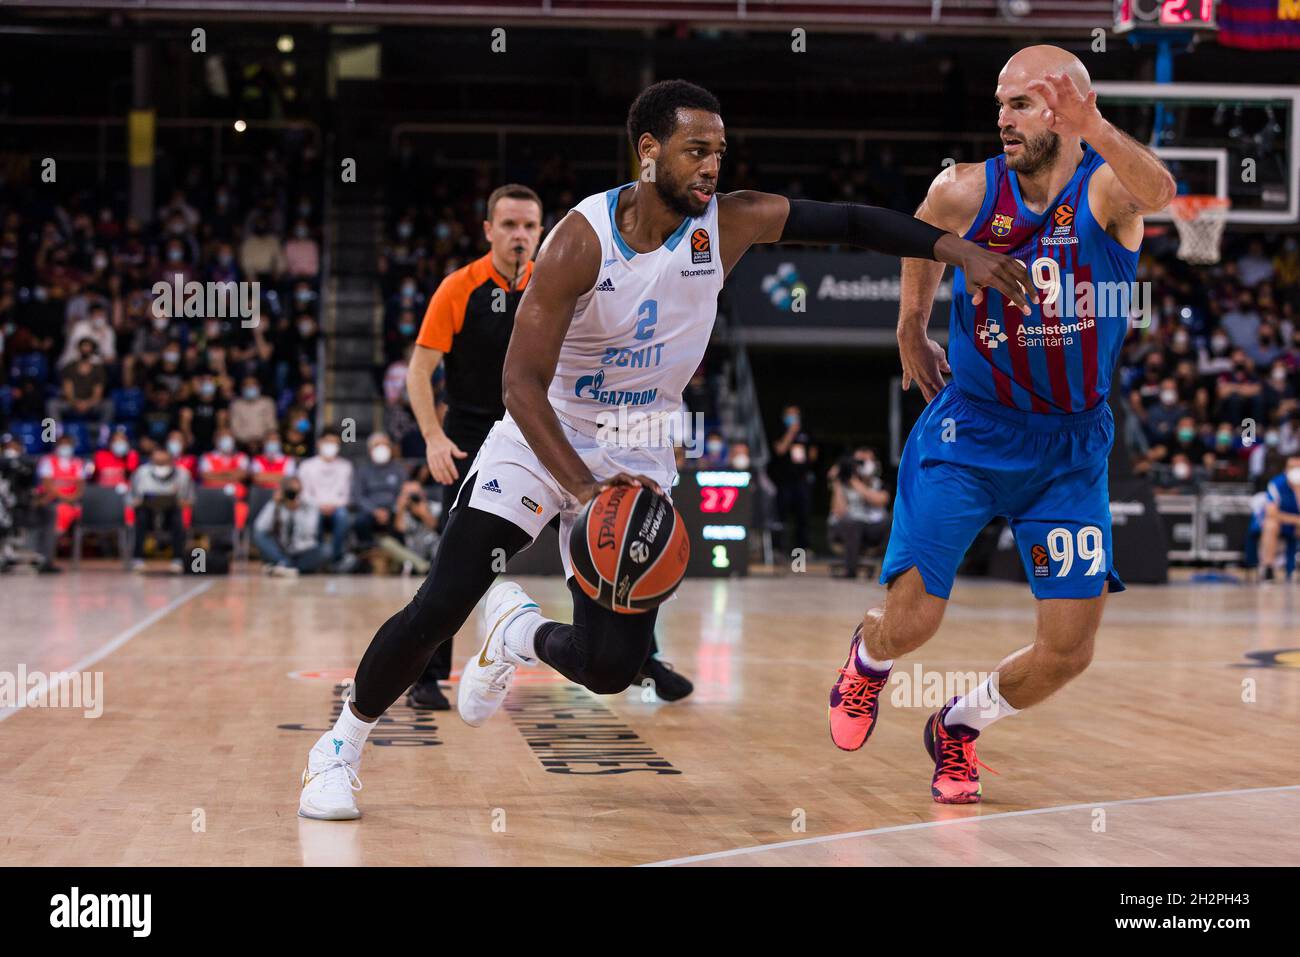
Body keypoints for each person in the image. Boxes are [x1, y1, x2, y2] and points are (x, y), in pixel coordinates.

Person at [298, 78, 1033, 820]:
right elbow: (519, 384)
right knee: (441, 602)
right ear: (648, 152)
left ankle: (515, 632)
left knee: (610, 668)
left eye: (719, 150)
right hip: (544, 433)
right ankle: (339, 747)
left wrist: (956, 250)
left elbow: (847, 220)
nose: (712, 166)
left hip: (642, 443)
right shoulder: (578, 242)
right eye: (695, 151)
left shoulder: (731, 224)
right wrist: (586, 495)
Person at [825, 46, 1175, 805]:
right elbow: (917, 232)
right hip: (973, 430)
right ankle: (867, 661)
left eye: (1019, 104)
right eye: (999, 103)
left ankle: (959, 724)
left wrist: (1098, 126)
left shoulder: (1108, 192)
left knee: (1069, 651)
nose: (1001, 119)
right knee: (913, 619)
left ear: (1065, 109)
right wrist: (910, 324)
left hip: (1071, 447)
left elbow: (1164, 189)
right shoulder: (964, 190)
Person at [402, 184, 544, 709]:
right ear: (488, 230)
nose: (520, 236)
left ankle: (641, 658)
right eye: (509, 225)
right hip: (469, 435)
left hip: (538, 431)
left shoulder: (552, 287)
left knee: (597, 538)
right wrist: (434, 438)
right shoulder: (457, 288)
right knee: (455, 561)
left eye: (530, 225)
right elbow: (420, 370)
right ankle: (426, 675)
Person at [129, 445, 193, 573]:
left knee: (177, 515)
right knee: (140, 515)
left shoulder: (183, 474)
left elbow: (190, 500)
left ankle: (177, 560)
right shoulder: (141, 472)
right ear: (152, 455)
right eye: (158, 453)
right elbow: (131, 499)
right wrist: (139, 502)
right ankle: (137, 558)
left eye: (164, 453)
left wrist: (179, 502)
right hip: (148, 514)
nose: (161, 456)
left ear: (170, 456)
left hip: (170, 514)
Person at [297, 428, 355, 571]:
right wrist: (319, 505)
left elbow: (346, 495)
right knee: (313, 516)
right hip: (313, 506)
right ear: (319, 443)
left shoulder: (345, 466)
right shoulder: (307, 466)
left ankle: (335, 558)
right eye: (328, 442)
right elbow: (304, 494)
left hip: (337, 508)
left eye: (335, 443)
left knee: (343, 516)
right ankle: (318, 558)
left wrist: (333, 506)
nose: (331, 446)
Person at [828, 447, 890, 579]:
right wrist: (837, 482)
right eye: (859, 461)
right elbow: (839, 512)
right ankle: (850, 570)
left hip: (870, 529)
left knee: (892, 521)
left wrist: (856, 483)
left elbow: (881, 500)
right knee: (852, 523)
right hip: (845, 529)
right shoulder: (843, 484)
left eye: (867, 461)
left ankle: (891, 568)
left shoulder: (879, 483)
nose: (862, 465)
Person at [252, 475, 327, 577]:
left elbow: (310, 531)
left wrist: (296, 511)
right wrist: (273, 504)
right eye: (290, 491)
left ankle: (283, 567)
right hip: (281, 550)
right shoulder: (277, 504)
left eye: (296, 491)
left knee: (325, 551)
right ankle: (287, 565)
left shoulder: (309, 504)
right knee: (259, 536)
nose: (293, 495)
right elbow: (260, 527)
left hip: (303, 550)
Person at [1256, 455, 1300, 582]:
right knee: (1270, 525)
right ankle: (1268, 568)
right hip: (1282, 523)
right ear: (1286, 469)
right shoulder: (1276, 483)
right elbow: (1271, 513)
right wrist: (1296, 520)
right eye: (1293, 467)